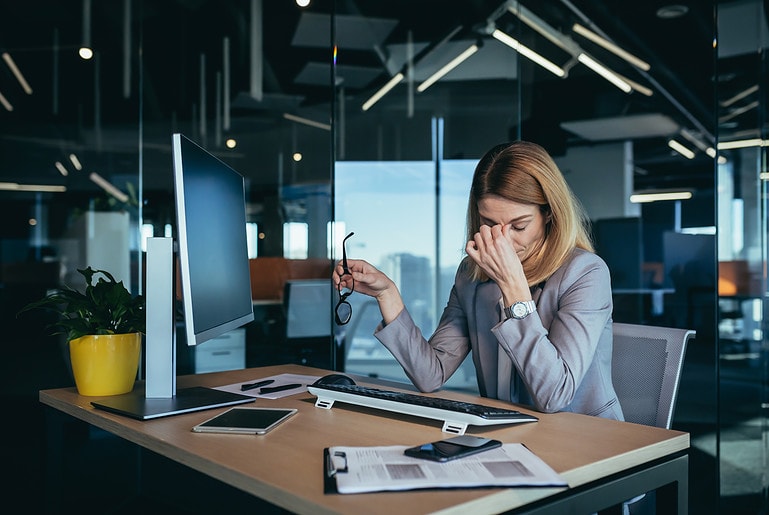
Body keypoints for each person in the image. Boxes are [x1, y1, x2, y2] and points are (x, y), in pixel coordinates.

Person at [333, 140, 623, 420]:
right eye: (490, 224)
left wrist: (513, 290)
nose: (503, 241)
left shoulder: (586, 273)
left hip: (582, 436)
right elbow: (430, 375)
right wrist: (388, 295)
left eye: (518, 226)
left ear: (548, 213)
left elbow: (555, 395)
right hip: (508, 432)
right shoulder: (471, 275)